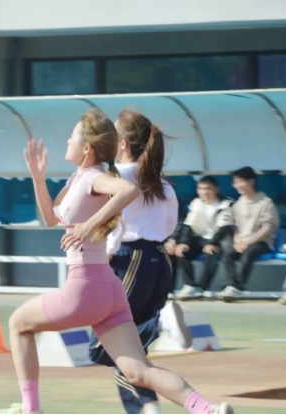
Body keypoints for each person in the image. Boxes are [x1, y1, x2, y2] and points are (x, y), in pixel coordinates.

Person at [0, 109, 233, 414]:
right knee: (138, 370)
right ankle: (208, 410)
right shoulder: (77, 178)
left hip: (85, 289)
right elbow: (51, 217)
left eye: (72, 136)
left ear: (87, 147)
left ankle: (30, 409)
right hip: (111, 290)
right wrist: (38, 178)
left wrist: (89, 225)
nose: (67, 141)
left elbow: (129, 190)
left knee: (18, 324)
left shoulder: (95, 177)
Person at [87, 108, 188, 414]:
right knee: (130, 349)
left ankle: (162, 322)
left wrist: (107, 254)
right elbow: (169, 225)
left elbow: (115, 223)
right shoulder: (160, 181)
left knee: (105, 344)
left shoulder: (116, 177)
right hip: (159, 260)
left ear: (122, 144)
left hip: (128, 259)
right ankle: (146, 407)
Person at [218, 167, 280, 302]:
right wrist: (237, 241)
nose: (236, 185)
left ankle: (238, 287)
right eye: (235, 182)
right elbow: (235, 227)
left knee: (248, 254)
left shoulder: (265, 202)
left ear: (251, 181)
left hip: (262, 242)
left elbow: (268, 228)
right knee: (227, 256)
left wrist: (249, 242)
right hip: (243, 242)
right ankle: (231, 285)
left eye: (240, 181)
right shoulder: (237, 204)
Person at [174, 176, 233, 300]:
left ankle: (202, 287)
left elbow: (224, 228)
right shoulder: (196, 203)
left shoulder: (226, 204)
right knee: (181, 251)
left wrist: (213, 243)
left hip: (219, 241)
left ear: (216, 189)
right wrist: (184, 242)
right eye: (201, 189)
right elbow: (189, 224)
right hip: (200, 239)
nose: (204, 192)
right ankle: (190, 285)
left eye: (208, 188)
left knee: (211, 253)